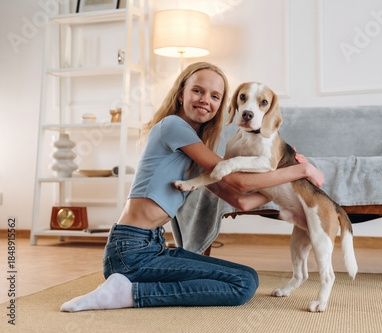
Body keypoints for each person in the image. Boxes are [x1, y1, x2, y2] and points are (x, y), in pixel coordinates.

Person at [60, 62, 324, 312]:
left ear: (221, 105)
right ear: (180, 95)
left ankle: (128, 285)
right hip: (130, 248)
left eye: (215, 96)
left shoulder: (195, 149)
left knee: (248, 276)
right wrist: (300, 170)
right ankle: (129, 294)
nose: (205, 100)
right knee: (242, 286)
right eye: (197, 91)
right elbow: (236, 180)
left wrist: (286, 185)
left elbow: (240, 199)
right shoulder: (173, 126)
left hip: (154, 245)